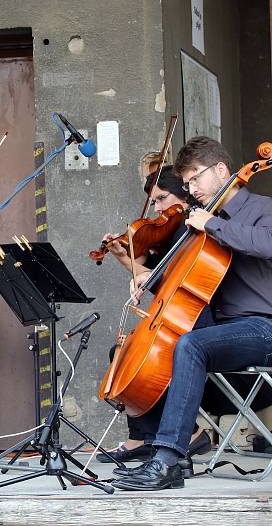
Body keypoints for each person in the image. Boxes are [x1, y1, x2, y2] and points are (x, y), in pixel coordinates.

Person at [112, 136, 272, 491]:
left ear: (220, 170)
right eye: (186, 183)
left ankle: (168, 460)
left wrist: (212, 225)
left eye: (196, 178)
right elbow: (188, 284)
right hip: (220, 330)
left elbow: (267, 243)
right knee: (143, 353)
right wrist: (151, 281)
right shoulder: (200, 220)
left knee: (191, 345)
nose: (192, 188)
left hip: (262, 329)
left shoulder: (261, 209)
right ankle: (165, 451)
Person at [96, 165, 212, 467]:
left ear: (184, 194)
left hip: (202, 319)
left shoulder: (199, 229)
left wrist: (142, 271)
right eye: (155, 202)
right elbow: (154, 280)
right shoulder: (170, 232)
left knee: (145, 359)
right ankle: (143, 438)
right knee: (123, 353)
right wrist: (127, 259)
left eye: (162, 199)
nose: (158, 209)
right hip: (178, 316)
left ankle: (190, 433)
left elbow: (173, 283)